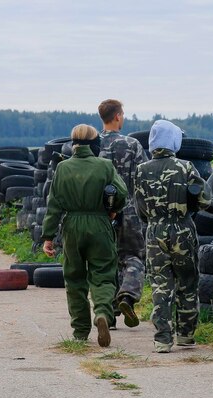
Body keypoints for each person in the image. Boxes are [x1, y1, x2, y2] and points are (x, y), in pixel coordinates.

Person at [42, 124, 127, 347]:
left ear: (73, 143)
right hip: (100, 223)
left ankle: (80, 331)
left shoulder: (62, 168)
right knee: (103, 274)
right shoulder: (105, 166)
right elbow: (122, 193)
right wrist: (113, 208)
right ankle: (102, 313)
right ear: (94, 143)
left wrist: (48, 237)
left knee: (74, 278)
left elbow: (54, 204)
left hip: (72, 226)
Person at [134, 120, 211, 353]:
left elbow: (139, 209)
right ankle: (186, 335)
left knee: (160, 285)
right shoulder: (185, 167)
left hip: (154, 231)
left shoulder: (141, 170)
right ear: (174, 141)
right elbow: (205, 200)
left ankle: (162, 339)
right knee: (187, 282)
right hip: (182, 229)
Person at [97, 99, 148, 329]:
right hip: (128, 210)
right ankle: (127, 296)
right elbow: (143, 178)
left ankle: (108, 313)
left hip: (98, 213)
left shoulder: (92, 145)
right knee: (134, 257)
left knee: (105, 261)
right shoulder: (132, 144)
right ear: (117, 116)